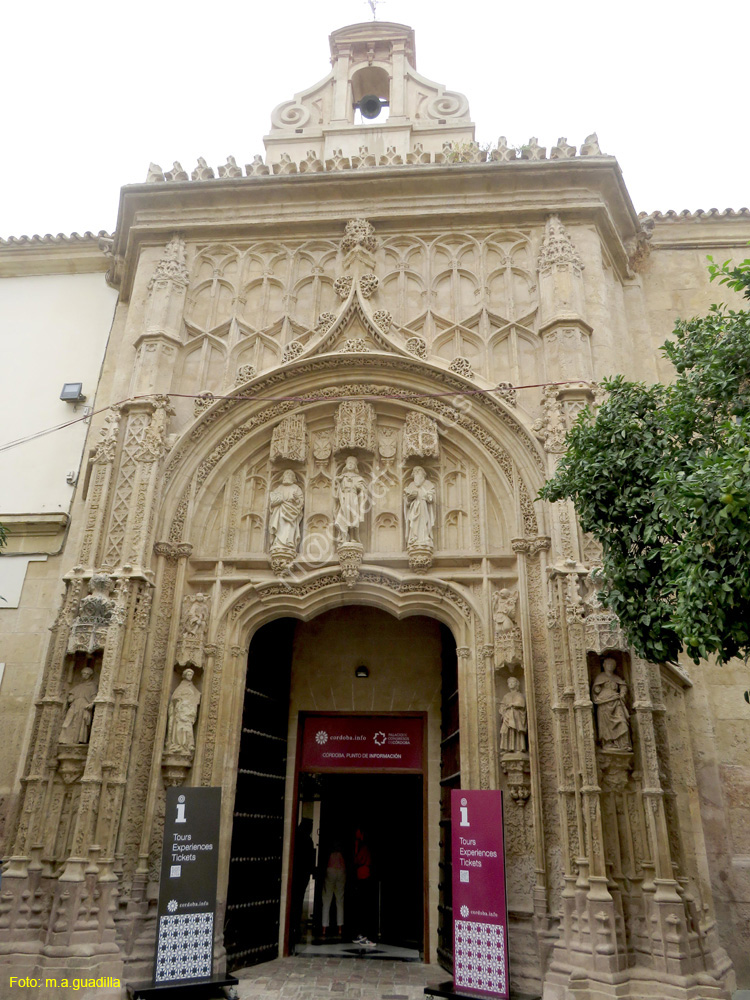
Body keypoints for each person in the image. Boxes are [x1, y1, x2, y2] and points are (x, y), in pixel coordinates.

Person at [591, 657, 631, 751]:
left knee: (622, 721)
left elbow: (623, 686)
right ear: (604, 665)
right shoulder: (600, 677)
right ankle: (608, 743)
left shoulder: (617, 678)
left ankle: (623, 744)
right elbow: (595, 689)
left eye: (612, 665)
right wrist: (596, 689)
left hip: (616, 701)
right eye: (608, 664)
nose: (610, 666)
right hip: (604, 702)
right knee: (605, 724)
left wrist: (622, 692)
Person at [165, 668, 201, 755]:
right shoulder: (181, 687)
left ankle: (187, 745)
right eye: (188, 675)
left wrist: (191, 704)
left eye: (191, 675)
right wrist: (179, 701)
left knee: (187, 728)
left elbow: (197, 697)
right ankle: (178, 745)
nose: (190, 676)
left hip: (188, 711)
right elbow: (174, 697)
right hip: (181, 710)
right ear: (185, 676)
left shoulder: (192, 688)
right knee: (179, 728)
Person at [291, 818, 316, 943]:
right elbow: (310, 859)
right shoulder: (307, 840)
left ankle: (292, 924)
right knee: (298, 899)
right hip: (302, 874)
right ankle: (295, 923)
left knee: (294, 898)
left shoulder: (295, 838)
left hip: (296, 873)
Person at [268, 470, 304, 555]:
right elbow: (272, 502)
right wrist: (276, 501)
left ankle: (289, 544)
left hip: (292, 511)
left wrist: (297, 499)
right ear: (283, 477)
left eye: (290, 475)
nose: (288, 476)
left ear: (293, 478)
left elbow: (301, 502)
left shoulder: (296, 488)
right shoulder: (279, 488)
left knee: (289, 527)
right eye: (286, 474)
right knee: (280, 526)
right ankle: (278, 544)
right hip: (280, 511)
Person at [59, 666, 98, 745]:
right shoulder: (78, 686)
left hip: (84, 706)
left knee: (81, 724)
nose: (85, 675)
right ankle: (66, 739)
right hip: (74, 705)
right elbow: (71, 695)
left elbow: (94, 698)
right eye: (83, 673)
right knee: (68, 721)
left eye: (87, 674)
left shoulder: (92, 686)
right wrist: (71, 697)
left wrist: (91, 704)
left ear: (90, 675)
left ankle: (77, 740)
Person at [351, 828, 376, 947]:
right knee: (362, 906)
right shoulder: (361, 846)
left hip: (364, 876)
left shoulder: (363, 846)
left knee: (362, 906)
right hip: (362, 876)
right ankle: (361, 934)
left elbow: (358, 859)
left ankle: (362, 933)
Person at [334, 456, 367, 543]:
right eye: (349, 463)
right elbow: (337, 488)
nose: (350, 465)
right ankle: (344, 537)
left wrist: (357, 486)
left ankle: (352, 537)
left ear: (355, 466)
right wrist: (338, 482)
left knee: (353, 517)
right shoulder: (342, 477)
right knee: (344, 516)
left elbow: (363, 489)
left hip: (353, 498)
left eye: (352, 464)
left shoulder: (358, 478)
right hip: (344, 498)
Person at [403, 466, 436, 548]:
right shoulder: (411, 485)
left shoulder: (428, 484)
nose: (417, 474)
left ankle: (424, 538)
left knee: (424, 522)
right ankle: (414, 538)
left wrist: (427, 495)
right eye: (415, 473)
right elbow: (407, 502)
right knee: (414, 522)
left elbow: (432, 498)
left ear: (423, 474)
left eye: (419, 472)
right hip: (414, 508)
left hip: (423, 506)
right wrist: (409, 497)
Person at [321, 841, 346, 939]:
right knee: (340, 900)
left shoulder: (331, 855)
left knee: (327, 900)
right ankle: (340, 928)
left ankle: (324, 928)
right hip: (341, 871)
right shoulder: (341, 855)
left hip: (330, 870)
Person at [498, 676, 527, 754]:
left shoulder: (519, 695)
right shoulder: (506, 696)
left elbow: (521, 704)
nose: (510, 684)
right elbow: (502, 705)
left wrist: (512, 704)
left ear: (516, 684)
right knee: (504, 731)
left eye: (512, 682)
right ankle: (506, 748)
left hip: (516, 716)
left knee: (516, 731)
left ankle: (518, 748)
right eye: (509, 683)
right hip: (507, 716)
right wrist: (503, 710)